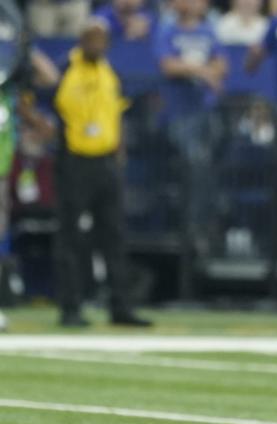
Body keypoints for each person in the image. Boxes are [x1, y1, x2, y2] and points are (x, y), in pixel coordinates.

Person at [53, 19, 151, 328]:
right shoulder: (66, 68)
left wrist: (119, 148)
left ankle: (120, 306)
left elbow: (115, 111)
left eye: (101, 40)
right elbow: (41, 100)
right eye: (92, 39)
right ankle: (70, 307)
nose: (98, 45)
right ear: (81, 40)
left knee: (114, 236)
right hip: (75, 160)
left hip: (106, 162)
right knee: (71, 237)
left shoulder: (109, 73)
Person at [156, 0, 227, 296]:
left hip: (206, 114)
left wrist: (196, 70)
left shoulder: (210, 30)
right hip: (179, 114)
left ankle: (209, 217)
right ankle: (197, 227)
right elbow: (168, 66)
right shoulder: (167, 30)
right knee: (196, 160)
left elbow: (222, 65)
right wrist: (202, 71)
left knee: (211, 159)